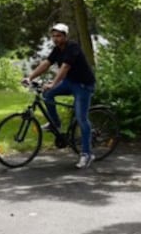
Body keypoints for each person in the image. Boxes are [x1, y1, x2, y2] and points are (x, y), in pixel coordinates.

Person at [23, 23, 96, 169]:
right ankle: (55, 123)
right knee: (47, 94)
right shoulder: (57, 50)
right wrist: (30, 77)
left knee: (81, 118)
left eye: (59, 36)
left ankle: (87, 154)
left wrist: (53, 83)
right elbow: (46, 63)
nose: (55, 39)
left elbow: (65, 67)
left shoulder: (73, 47)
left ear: (65, 36)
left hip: (83, 85)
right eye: (53, 36)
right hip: (70, 82)